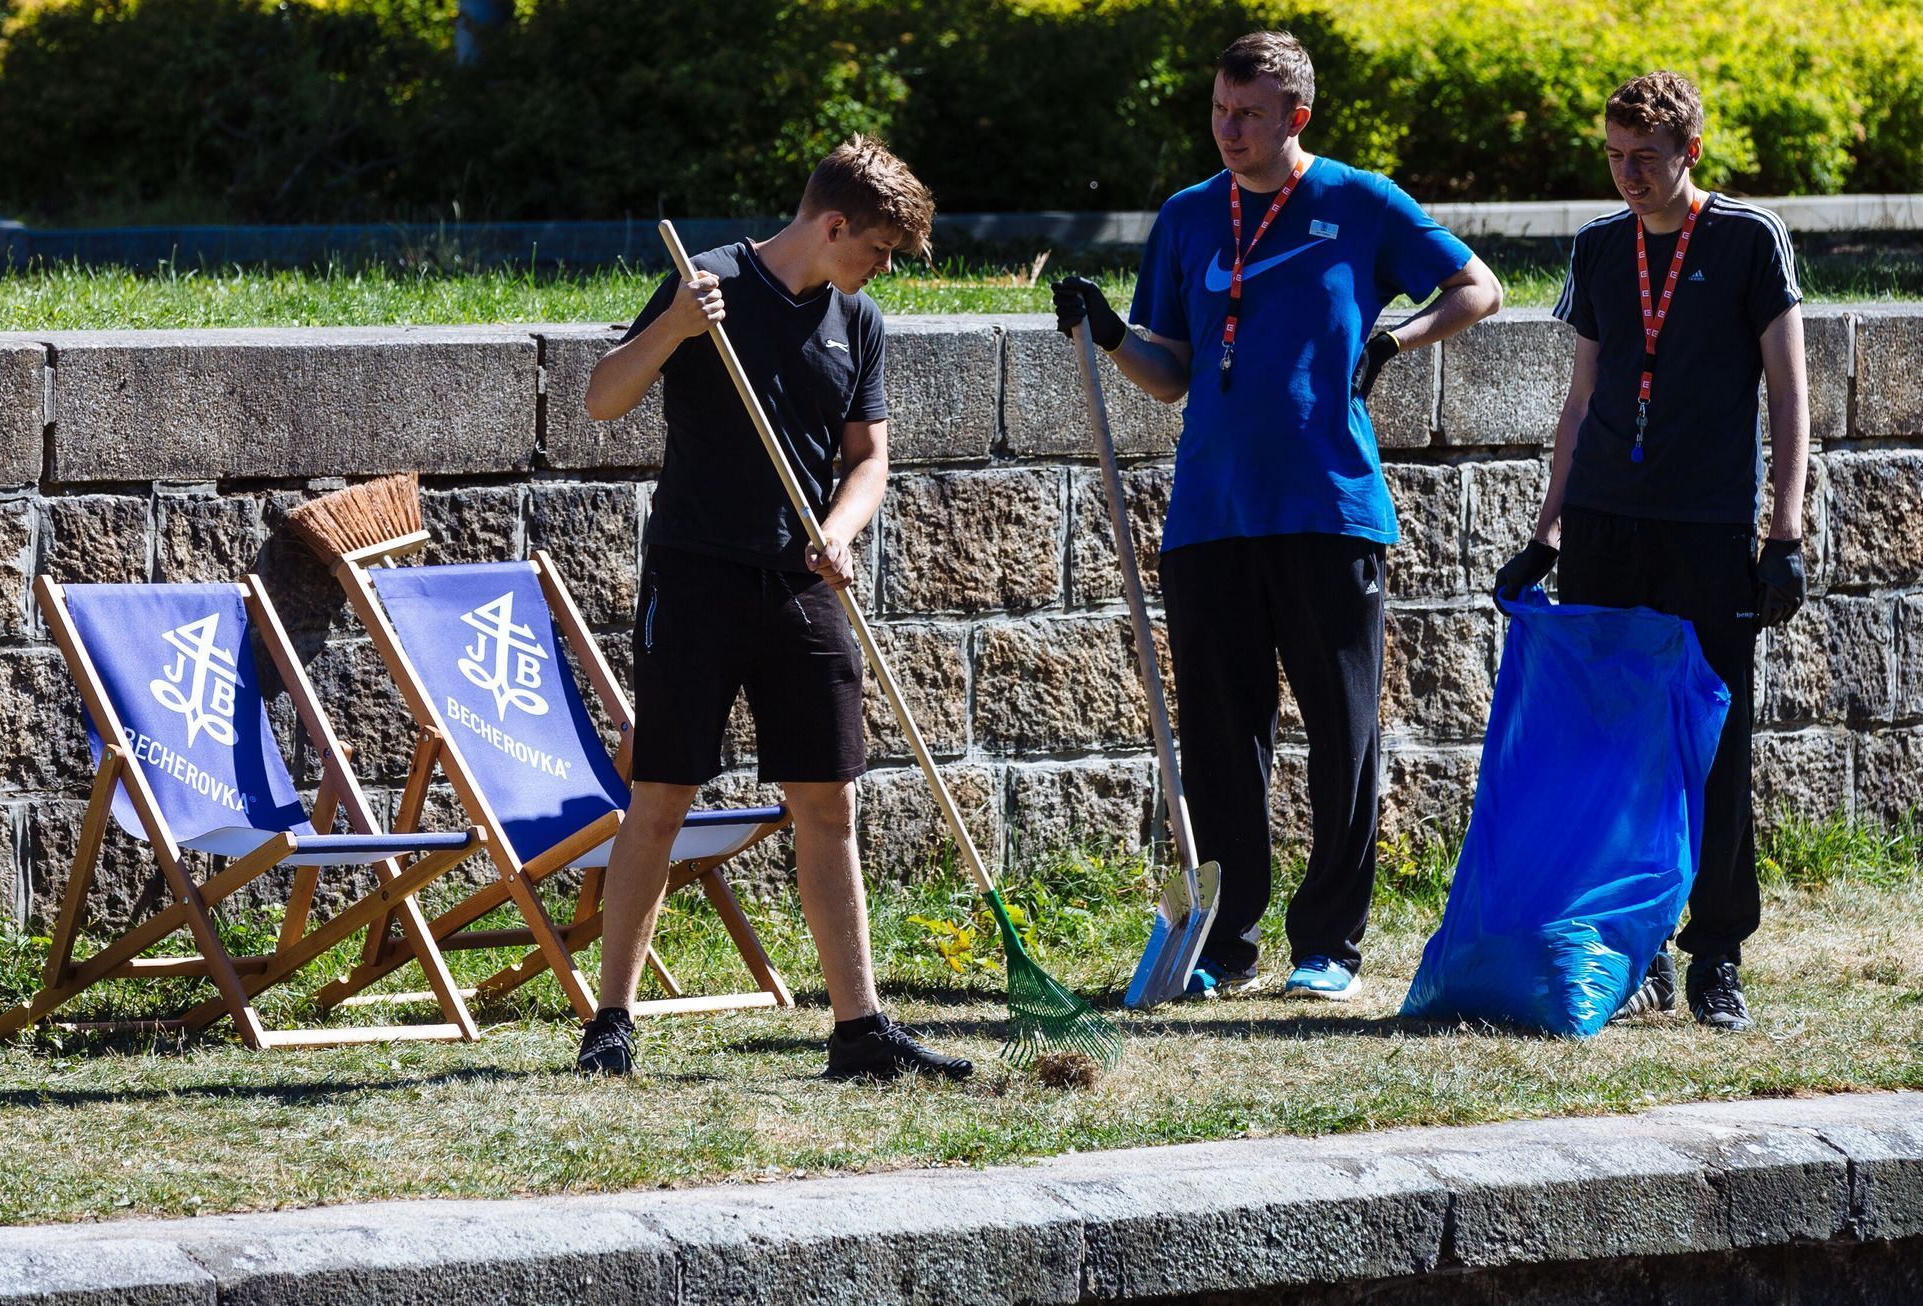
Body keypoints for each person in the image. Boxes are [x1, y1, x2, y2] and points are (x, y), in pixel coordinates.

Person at [1052, 31, 1501, 1001]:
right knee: (1221, 740)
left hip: (1328, 508)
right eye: (1220, 110)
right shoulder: (1187, 215)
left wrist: (1396, 339)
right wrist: (1113, 332)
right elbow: (1170, 375)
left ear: (1296, 116)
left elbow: (1480, 287)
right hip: (1210, 516)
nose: (1229, 129)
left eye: (1249, 114)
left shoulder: (1360, 200)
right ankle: (1226, 945)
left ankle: (1329, 946)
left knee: (1343, 733)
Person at [575, 135, 971, 1081]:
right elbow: (600, 399)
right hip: (696, 578)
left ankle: (859, 1031)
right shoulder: (705, 281)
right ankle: (610, 1022)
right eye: (877, 249)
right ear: (832, 225)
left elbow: (867, 459)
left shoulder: (856, 319)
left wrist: (840, 529)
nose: (881, 269)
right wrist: (674, 327)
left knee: (827, 799)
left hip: (801, 584)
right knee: (661, 796)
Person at [1496, 71, 1808, 1032]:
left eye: (1645, 158)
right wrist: (1546, 533)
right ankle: (1632, 949)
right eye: (1613, 157)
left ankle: (1716, 952)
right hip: (1604, 522)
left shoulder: (1747, 238)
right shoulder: (1599, 246)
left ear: (1689, 153)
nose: (1627, 175)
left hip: (1705, 528)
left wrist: (1784, 533)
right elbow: (1580, 400)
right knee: (1612, 742)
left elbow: (1788, 394)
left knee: (1713, 740)